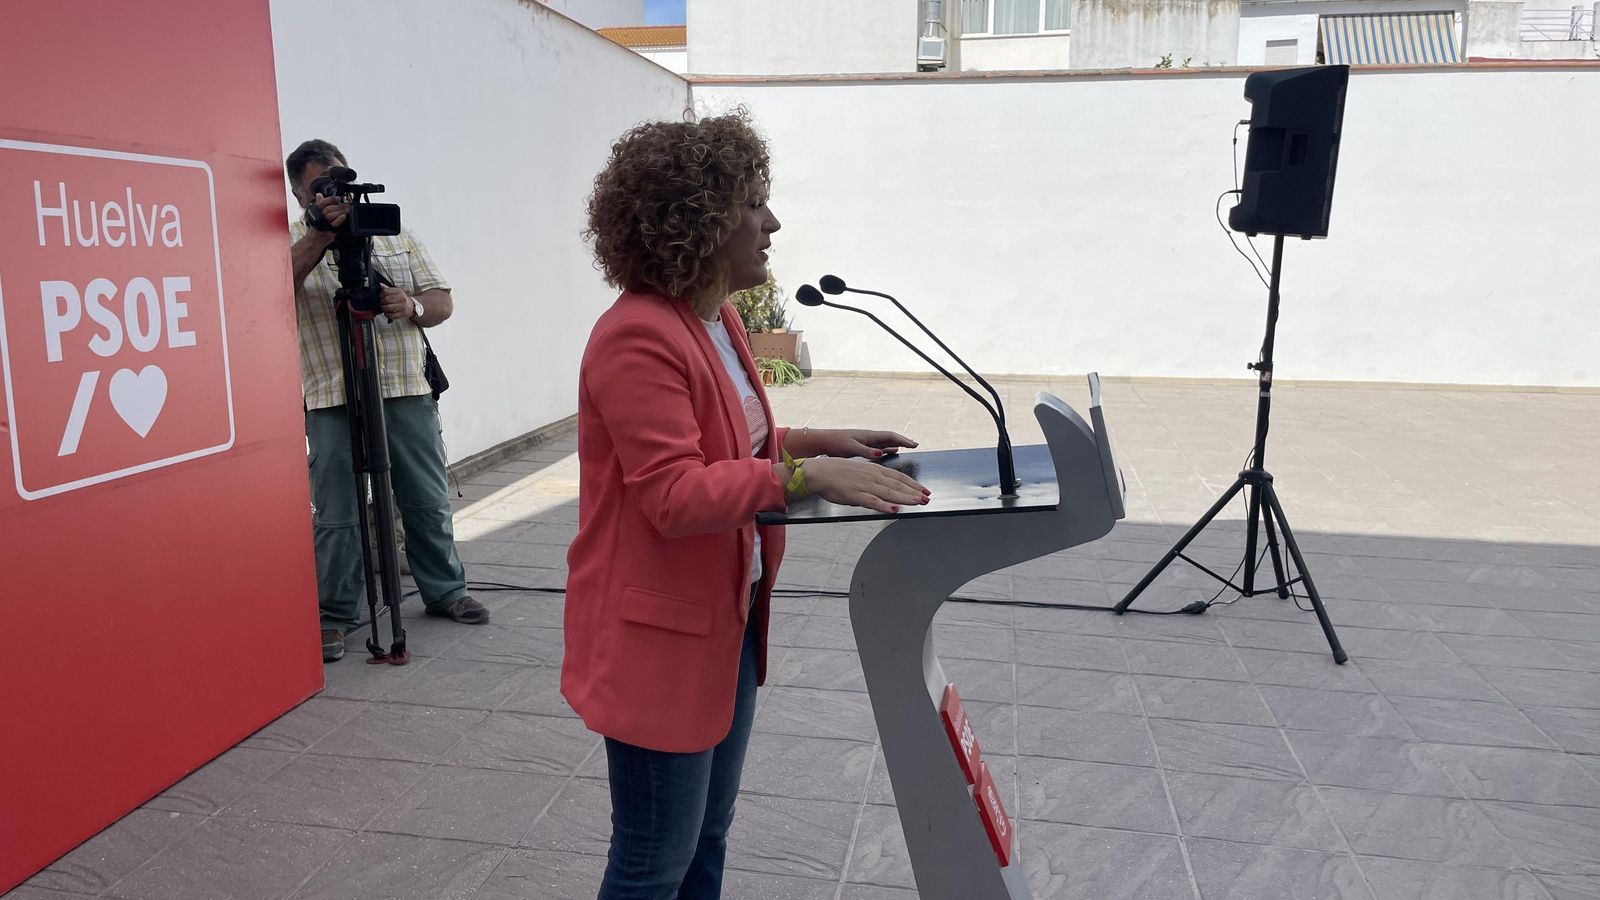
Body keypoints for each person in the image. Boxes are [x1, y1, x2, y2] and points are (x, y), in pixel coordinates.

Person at [563, 111, 931, 899]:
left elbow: (734, 439)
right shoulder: (636, 336)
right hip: (656, 639)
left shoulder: (717, 317)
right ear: (696, 219)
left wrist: (820, 443)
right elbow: (672, 492)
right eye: (753, 203)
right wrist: (802, 481)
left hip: (722, 622)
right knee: (653, 861)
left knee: (706, 838)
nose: (772, 223)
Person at [285, 139, 488, 663]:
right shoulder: (290, 241)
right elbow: (269, 292)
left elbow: (442, 300)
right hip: (331, 392)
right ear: (297, 194)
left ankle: (445, 591)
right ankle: (335, 615)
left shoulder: (393, 231)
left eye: (340, 180)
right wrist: (321, 236)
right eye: (318, 186)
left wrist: (411, 304)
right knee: (338, 511)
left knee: (424, 495)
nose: (336, 193)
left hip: (404, 386)